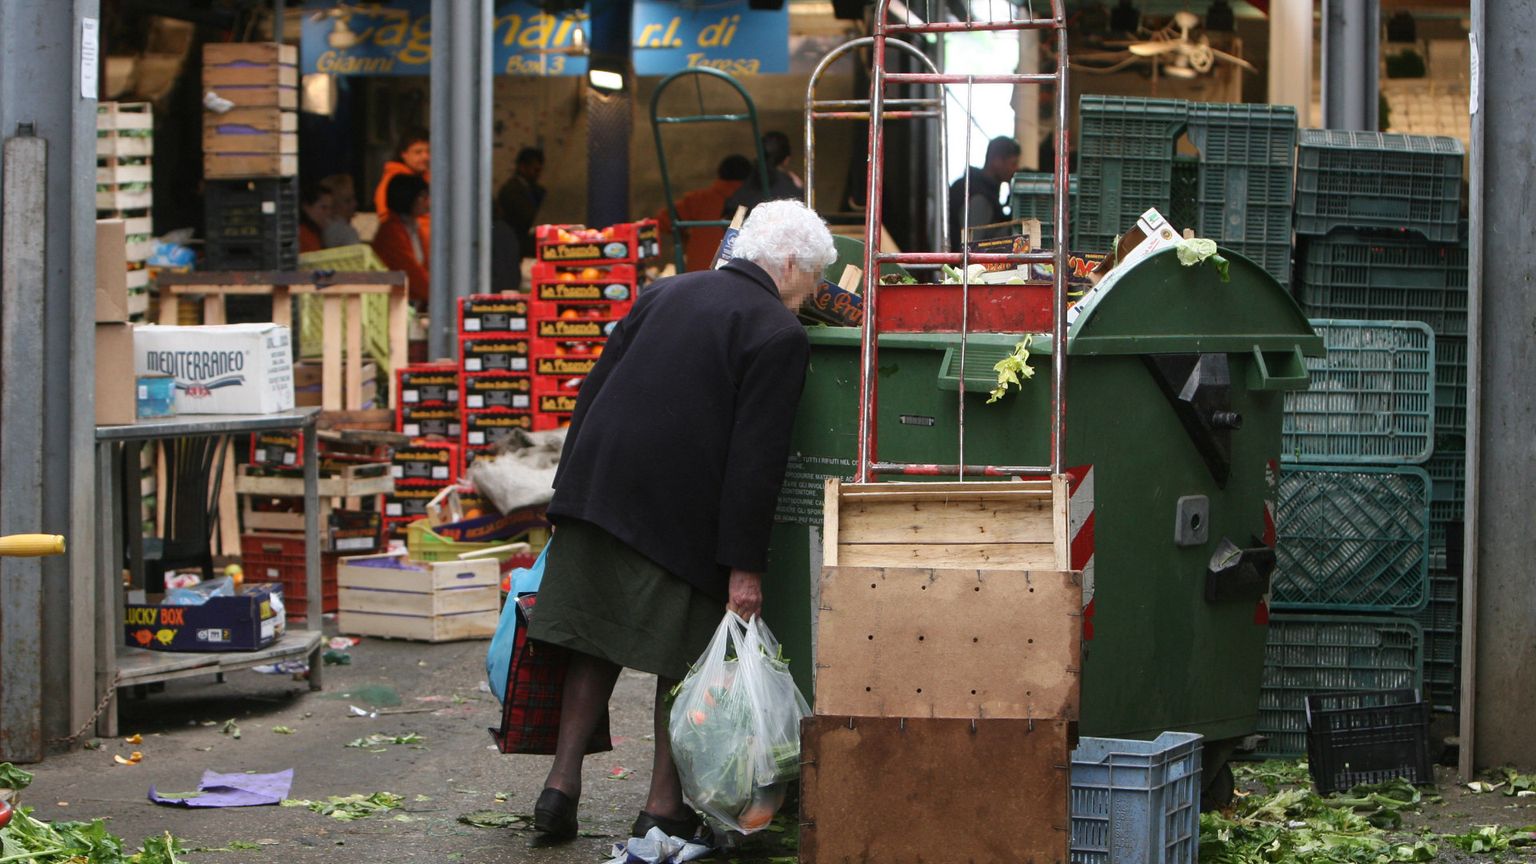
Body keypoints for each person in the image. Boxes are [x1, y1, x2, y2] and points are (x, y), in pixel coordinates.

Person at [524, 200, 836, 847]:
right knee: (687, 655)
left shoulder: (666, 291)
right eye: (813, 282)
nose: (812, 298)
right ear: (787, 265)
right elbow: (757, 461)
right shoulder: (780, 335)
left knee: (594, 639)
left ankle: (559, 789)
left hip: (598, 488)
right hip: (677, 510)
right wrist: (745, 567)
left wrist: (565, 497)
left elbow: (592, 390)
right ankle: (662, 809)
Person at [655, 154, 751, 272]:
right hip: (739, 276)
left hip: (699, 275)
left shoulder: (699, 200)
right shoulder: (756, 203)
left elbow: (662, 222)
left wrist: (684, 237)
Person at [948, 135, 1022, 250]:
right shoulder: (979, 196)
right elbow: (971, 248)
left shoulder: (979, 188)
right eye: (1013, 163)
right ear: (996, 161)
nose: (1016, 169)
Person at [371, 173, 430, 305]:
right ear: (407, 197)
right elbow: (411, 273)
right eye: (422, 196)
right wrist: (438, 292)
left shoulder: (413, 227)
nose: (427, 201)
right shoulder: (391, 232)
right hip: (392, 303)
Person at [720, 131, 805, 217]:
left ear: (758, 155)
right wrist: (800, 189)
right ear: (786, 160)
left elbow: (733, 227)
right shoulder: (792, 191)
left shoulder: (745, 190)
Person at [374, 129, 431, 244]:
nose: (425, 157)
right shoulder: (393, 181)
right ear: (403, 154)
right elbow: (386, 216)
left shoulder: (428, 177)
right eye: (418, 152)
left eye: (429, 151)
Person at [496, 147, 546, 259]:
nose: (538, 175)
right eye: (535, 170)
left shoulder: (536, 190)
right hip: (519, 246)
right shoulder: (512, 190)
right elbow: (528, 217)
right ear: (523, 167)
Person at [318, 173, 362, 247]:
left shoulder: (314, 231)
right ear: (332, 205)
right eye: (347, 201)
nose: (355, 204)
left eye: (354, 198)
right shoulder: (346, 233)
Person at [297, 182, 333, 254]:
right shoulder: (302, 235)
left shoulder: (315, 233)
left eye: (330, 208)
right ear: (306, 207)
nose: (329, 213)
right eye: (323, 208)